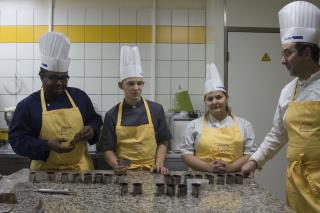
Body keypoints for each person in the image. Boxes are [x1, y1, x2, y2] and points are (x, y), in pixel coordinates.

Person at [241, 1, 320, 212]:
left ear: (306, 53)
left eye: (287, 53)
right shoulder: (288, 91)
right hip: (296, 182)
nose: (282, 60)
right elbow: (277, 134)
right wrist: (254, 161)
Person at [9, 32, 102, 171]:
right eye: (53, 77)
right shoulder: (28, 105)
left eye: (64, 78)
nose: (59, 83)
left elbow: (95, 120)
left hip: (81, 171)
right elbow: (17, 141)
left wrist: (92, 130)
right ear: (41, 76)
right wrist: (46, 145)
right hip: (44, 172)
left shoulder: (79, 97)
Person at [101, 46, 172, 175]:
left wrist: (159, 164)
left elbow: (163, 141)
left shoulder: (156, 109)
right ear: (121, 85)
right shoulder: (112, 114)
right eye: (131, 83)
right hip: (124, 172)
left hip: (151, 170)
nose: (136, 88)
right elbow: (107, 149)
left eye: (140, 83)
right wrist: (116, 165)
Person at [181, 63, 256, 173]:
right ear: (205, 102)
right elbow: (186, 153)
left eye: (219, 97)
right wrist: (207, 167)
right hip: (201, 179)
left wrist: (231, 168)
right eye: (210, 99)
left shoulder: (244, 125)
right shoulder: (194, 125)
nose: (215, 102)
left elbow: (250, 153)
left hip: (235, 179)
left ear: (226, 98)